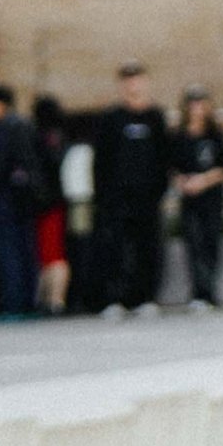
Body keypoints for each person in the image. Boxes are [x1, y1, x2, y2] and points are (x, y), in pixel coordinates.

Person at [92, 62, 173, 317]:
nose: (132, 86)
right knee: (115, 248)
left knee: (148, 248)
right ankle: (115, 298)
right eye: (127, 81)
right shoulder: (111, 118)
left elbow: (164, 156)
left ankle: (145, 297)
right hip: (117, 198)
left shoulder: (155, 117)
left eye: (137, 80)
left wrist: (159, 190)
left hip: (147, 198)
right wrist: (103, 195)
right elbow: (101, 160)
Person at [0, 87, 43, 321]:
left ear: (0, 104)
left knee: (10, 253)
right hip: (23, 199)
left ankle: (15, 304)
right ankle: (28, 302)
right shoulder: (23, 125)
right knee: (25, 251)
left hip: (9, 199)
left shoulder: (6, 127)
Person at [171, 88, 223, 311]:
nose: (197, 109)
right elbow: (172, 166)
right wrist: (182, 182)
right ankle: (197, 292)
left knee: (211, 244)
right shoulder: (179, 136)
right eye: (193, 104)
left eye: (201, 103)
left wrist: (203, 181)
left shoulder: (216, 134)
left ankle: (209, 292)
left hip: (212, 199)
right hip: (190, 200)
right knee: (193, 245)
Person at [30, 96, 73, 313]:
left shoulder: (46, 137)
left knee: (53, 254)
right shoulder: (60, 137)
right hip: (56, 201)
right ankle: (50, 299)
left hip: (50, 203)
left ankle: (55, 300)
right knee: (50, 254)